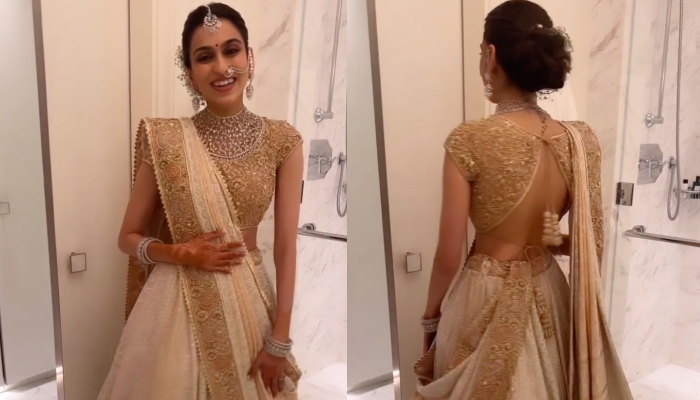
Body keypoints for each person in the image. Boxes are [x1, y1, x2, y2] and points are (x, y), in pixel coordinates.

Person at [412, 1, 633, 399]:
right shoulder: (580, 139)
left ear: (491, 55)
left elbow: (448, 254)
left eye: (481, 51)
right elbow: (589, 244)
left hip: (483, 295)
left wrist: (430, 319)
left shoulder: (470, 138)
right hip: (551, 293)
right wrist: (552, 239)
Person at [98, 3, 303, 399]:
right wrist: (180, 253)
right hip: (174, 303)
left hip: (248, 299)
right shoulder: (165, 140)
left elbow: (285, 248)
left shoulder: (283, 140)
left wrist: (280, 339)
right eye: (205, 57)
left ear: (250, 58)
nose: (222, 66)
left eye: (232, 50)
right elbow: (127, 238)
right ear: (190, 74)